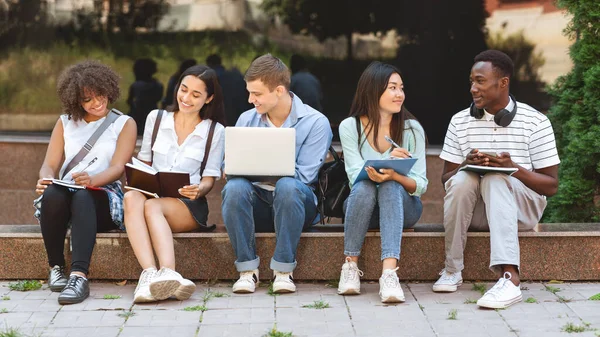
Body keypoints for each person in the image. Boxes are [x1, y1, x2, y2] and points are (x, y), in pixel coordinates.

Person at [433, 50, 560, 309]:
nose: (473, 88)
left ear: (503, 83)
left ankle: (509, 279)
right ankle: (452, 270)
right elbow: (445, 180)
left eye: (480, 81)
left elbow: (551, 185)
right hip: (476, 213)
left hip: (521, 212)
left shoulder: (536, 121)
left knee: (495, 178)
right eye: (471, 81)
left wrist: (513, 168)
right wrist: (466, 166)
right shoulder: (459, 121)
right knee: (462, 179)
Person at [221, 54, 332, 294]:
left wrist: (259, 171)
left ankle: (283, 271)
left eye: (257, 94)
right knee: (234, 188)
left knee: (287, 186)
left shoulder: (315, 122)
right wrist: (230, 167)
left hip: (296, 203)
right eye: (249, 92)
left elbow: (305, 177)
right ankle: (247, 271)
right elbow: (231, 170)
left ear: (279, 90)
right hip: (258, 202)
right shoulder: (245, 119)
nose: (251, 100)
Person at [34, 60, 137, 304]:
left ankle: (79, 276)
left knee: (83, 195)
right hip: (67, 192)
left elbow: (118, 168)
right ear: (76, 101)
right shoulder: (65, 122)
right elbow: (50, 163)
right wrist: (46, 178)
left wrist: (92, 180)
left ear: (108, 89)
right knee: (52, 194)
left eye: (100, 94)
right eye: (87, 99)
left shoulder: (124, 123)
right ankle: (56, 267)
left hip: (103, 195)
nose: (97, 102)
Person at [123, 65, 226, 303]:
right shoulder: (156, 119)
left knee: (152, 207)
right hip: (153, 196)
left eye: (196, 94)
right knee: (131, 198)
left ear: (209, 98)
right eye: (184, 90)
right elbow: (145, 160)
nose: (186, 98)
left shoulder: (214, 131)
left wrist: (199, 189)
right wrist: (136, 175)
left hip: (187, 206)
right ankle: (149, 274)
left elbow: (209, 177)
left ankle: (169, 272)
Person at [336, 61, 427, 303]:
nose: (400, 94)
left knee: (389, 185)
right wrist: (388, 159)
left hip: (402, 208)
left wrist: (395, 175)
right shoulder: (350, 126)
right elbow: (355, 174)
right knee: (365, 185)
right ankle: (350, 268)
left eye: (401, 88)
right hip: (362, 208)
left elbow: (421, 184)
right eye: (392, 88)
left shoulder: (412, 129)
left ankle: (389, 273)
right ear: (373, 90)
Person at [206, 53, 252, 125]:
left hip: (222, 114)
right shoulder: (236, 77)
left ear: (209, 64)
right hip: (239, 111)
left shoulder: (213, 78)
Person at [127, 58, 164, 135]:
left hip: (137, 115)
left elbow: (129, 101)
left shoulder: (136, 85)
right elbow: (159, 98)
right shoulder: (158, 85)